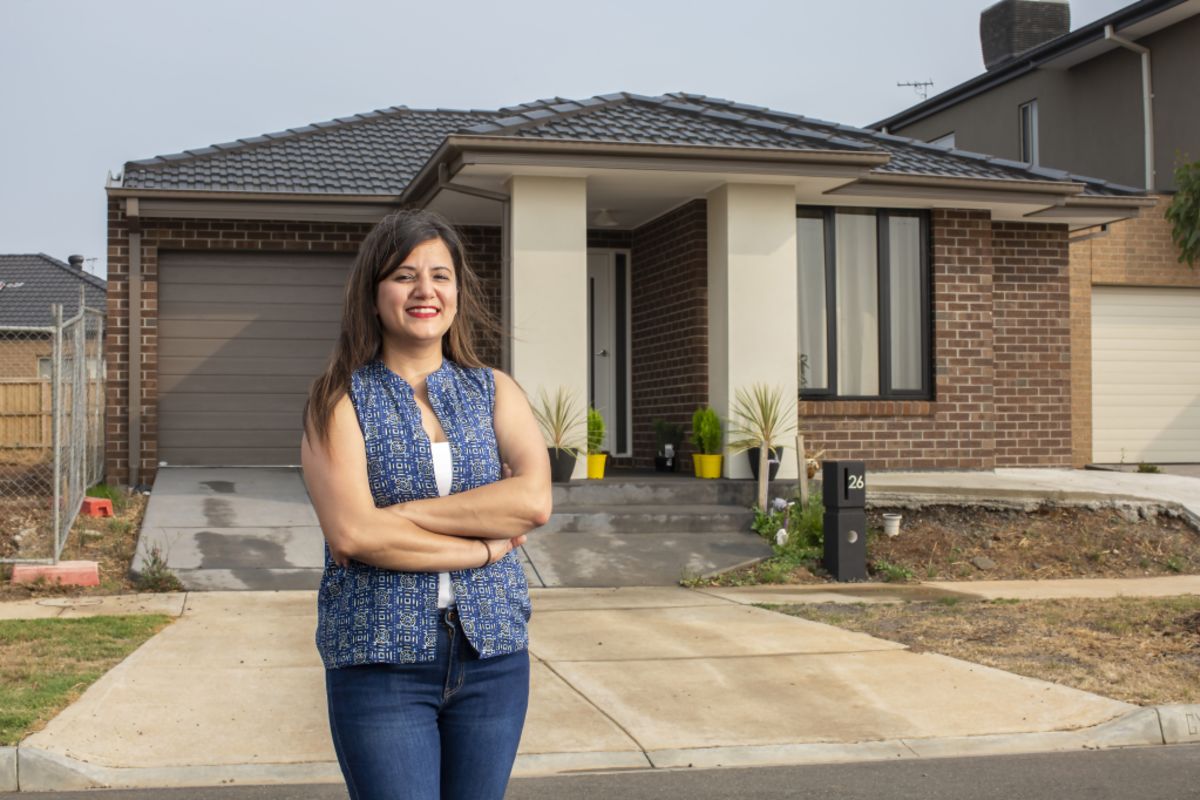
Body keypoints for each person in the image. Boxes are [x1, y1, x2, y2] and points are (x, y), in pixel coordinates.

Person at [299, 209, 552, 800]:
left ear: (457, 292)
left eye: (440, 275)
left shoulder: (494, 390)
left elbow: (534, 501)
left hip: (493, 657)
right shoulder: (338, 400)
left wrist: (395, 517)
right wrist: (488, 548)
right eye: (404, 275)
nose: (425, 291)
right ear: (373, 292)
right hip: (380, 662)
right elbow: (354, 537)